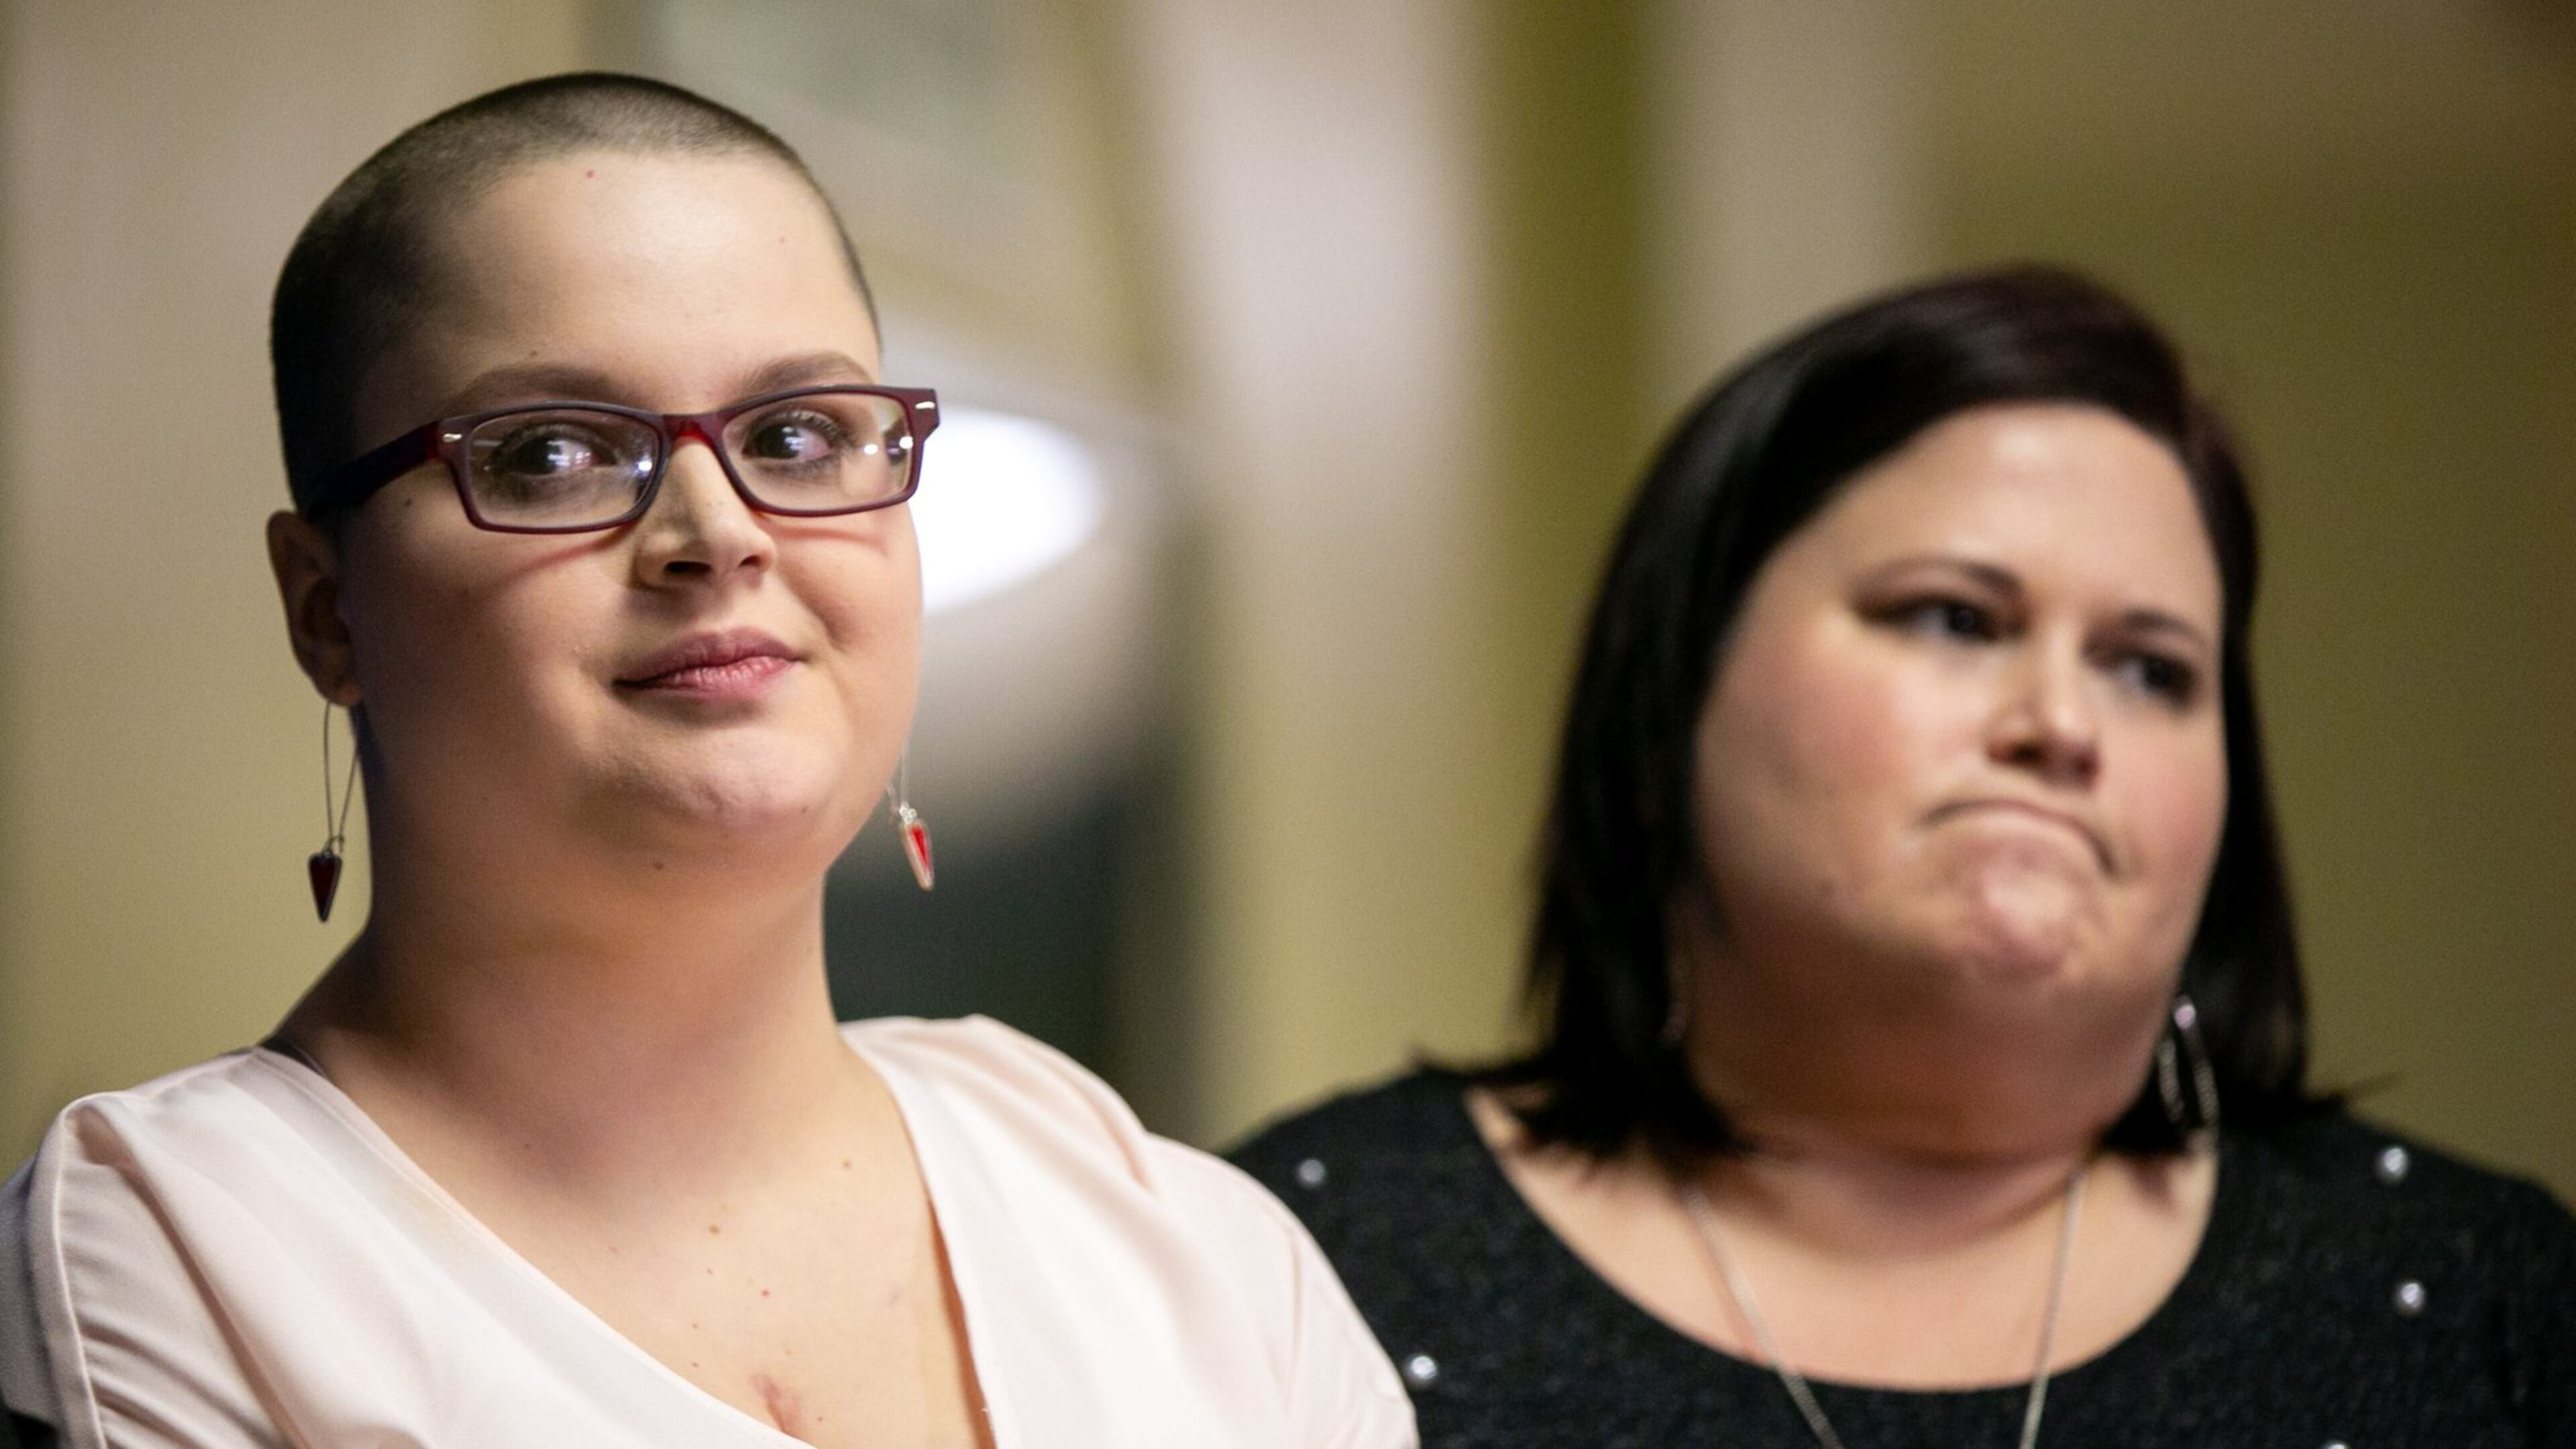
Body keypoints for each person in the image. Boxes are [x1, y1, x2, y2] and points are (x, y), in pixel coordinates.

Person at [0, 73, 1413, 1449]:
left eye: (797, 434)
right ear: (327, 608)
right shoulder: (175, 1256)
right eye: (552, 452)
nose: (718, 532)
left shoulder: (1179, 1242)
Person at [1234, 268, 2576, 1447]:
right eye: (1954, 617)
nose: (2060, 726)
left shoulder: (2478, 1294)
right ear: (1678, 679)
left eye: (2150, 670)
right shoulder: (1291, 1265)